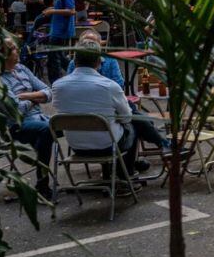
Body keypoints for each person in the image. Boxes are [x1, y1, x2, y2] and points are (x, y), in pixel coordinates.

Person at [52, 42, 146, 183]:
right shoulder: (109, 86)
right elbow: (126, 118)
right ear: (98, 62)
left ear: (75, 61)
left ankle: (116, 174)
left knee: (117, 127)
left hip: (77, 146)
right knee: (132, 125)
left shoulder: (58, 86)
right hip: (108, 146)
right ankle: (127, 175)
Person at [0, 35, 54, 198]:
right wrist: (35, 98)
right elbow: (15, 110)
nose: (18, 50)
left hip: (39, 118)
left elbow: (49, 91)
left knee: (69, 123)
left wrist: (25, 96)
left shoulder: (22, 69)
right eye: (13, 49)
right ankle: (42, 185)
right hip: (16, 126)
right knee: (46, 131)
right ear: (2, 54)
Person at [43, 0, 76, 82]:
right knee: (60, 57)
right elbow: (62, 8)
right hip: (57, 29)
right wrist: (52, 9)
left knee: (53, 59)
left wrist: (52, 12)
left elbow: (71, 10)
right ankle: (76, 74)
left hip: (60, 31)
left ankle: (55, 83)